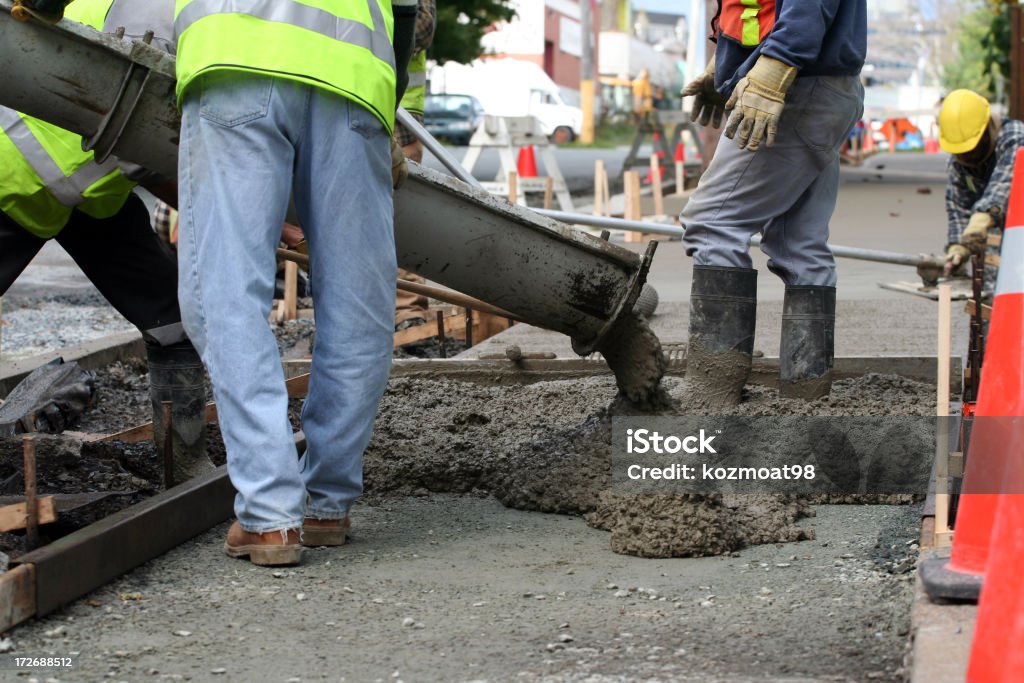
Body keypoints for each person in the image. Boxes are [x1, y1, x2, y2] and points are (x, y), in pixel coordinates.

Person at [172, 0, 416, 566]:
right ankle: (324, 506)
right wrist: (391, 101)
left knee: (226, 292)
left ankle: (269, 514)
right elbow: (406, 8)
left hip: (236, 55)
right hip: (357, 77)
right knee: (359, 304)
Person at [0, 0, 211, 483]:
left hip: (91, 193)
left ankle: (185, 461)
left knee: (172, 314)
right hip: (12, 179)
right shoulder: (155, 10)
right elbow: (143, 139)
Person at [678, 0, 866, 405]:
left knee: (713, 223)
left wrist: (773, 70)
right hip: (824, 87)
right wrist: (726, 67)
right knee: (799, 244)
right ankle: (806, 394)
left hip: (797, 84)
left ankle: (711, 395)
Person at [938, 89, 1024, 290]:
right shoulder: (958, 162)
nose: (966, 159)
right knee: (990, 290)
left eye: (971, 150)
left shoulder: (1015, 137)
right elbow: (957, 207)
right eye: (961, 153)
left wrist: (983, 217)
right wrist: (958, 246)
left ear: (988, 129)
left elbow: (1005, 180)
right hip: (1005, 230)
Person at [393, 0, 436, 333]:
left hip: (401, 117)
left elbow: (420, 28)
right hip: (347, 97)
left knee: (399, 217)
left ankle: (408, 315)